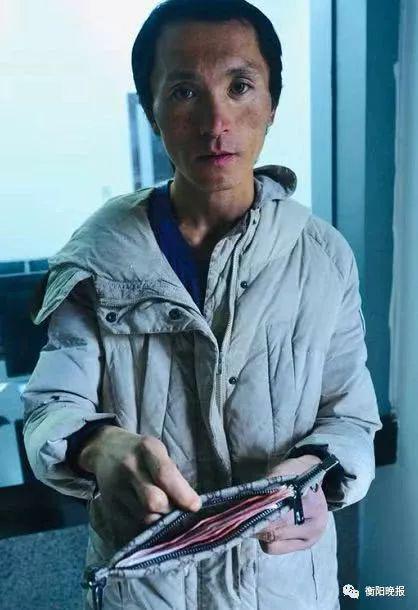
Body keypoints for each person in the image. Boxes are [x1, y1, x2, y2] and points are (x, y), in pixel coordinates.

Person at [22, 0, 382, 608]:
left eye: (240, 86)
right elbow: (51, 408)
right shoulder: (97, 255)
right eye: (185, 92)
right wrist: (99, 447)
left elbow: (351, 419)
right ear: (152, 112)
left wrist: (315, 476)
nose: (217, 122)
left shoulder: (323, 256)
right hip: (146, 588)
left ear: (272, 102)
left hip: (285, 585)